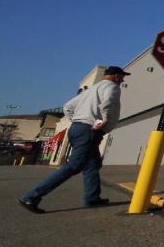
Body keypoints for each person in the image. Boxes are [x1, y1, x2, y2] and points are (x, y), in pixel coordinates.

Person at [18, 66, 129, 213]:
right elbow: (108, 102)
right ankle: (31, 196)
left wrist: (76, 120)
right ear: (115, 76)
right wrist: (104, 120)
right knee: (73, 166)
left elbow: (67, 106)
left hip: (77, 128)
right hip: (89, 130)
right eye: (122, 76)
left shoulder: (91, 90)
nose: (123, 79)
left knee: (92, 164)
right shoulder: (112, 87)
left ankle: (92, 197)